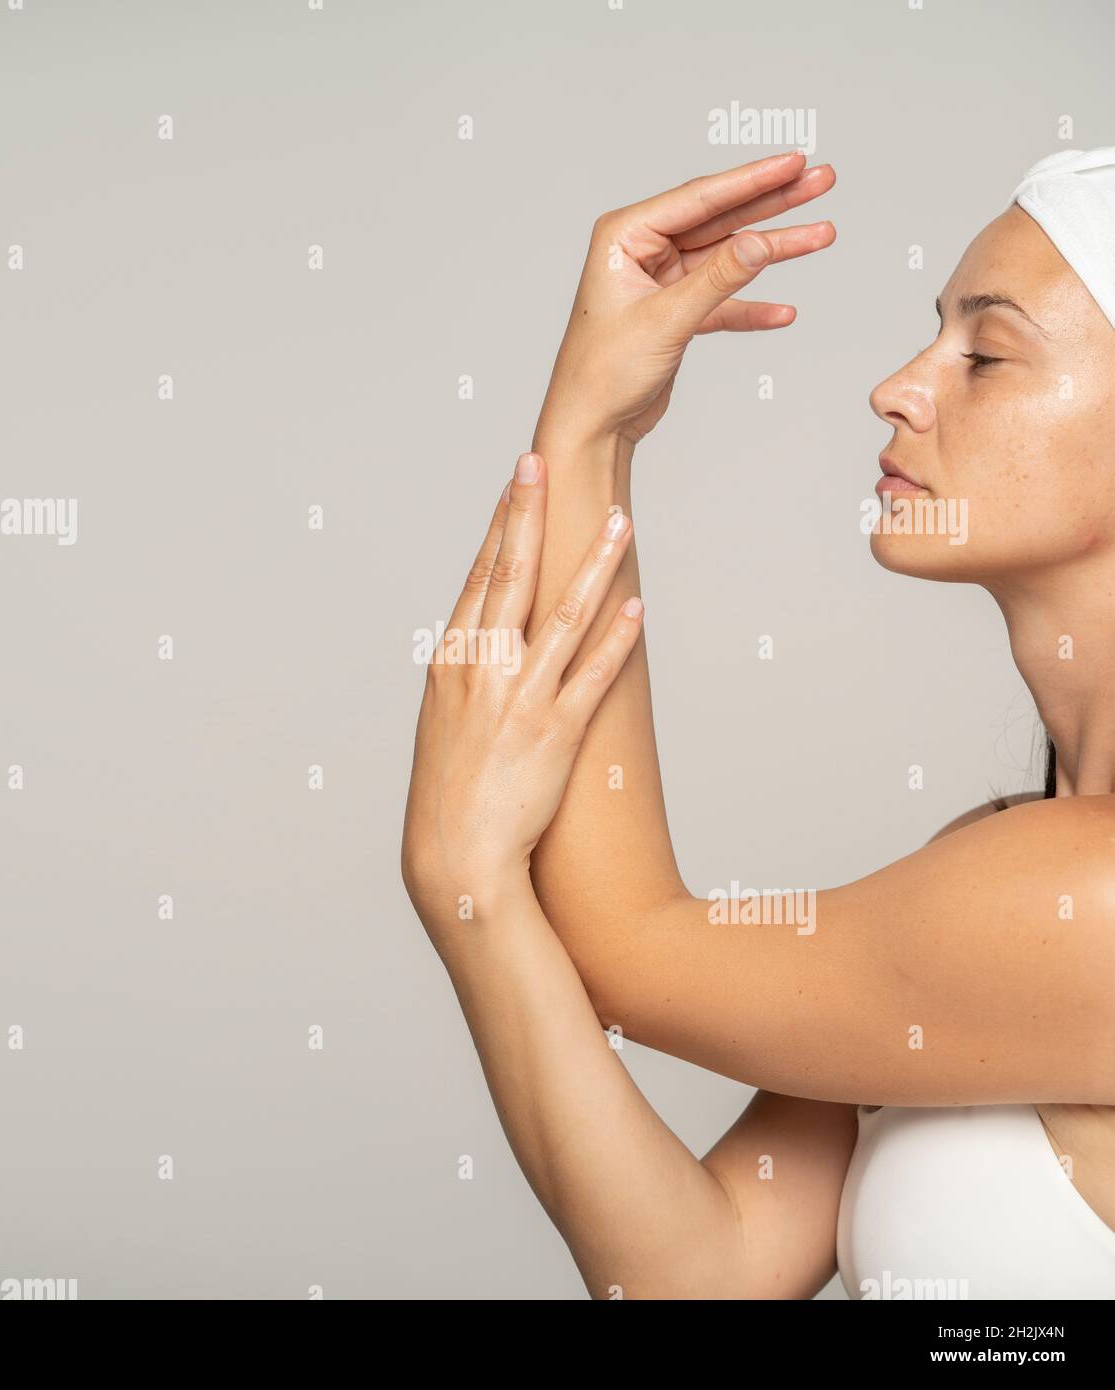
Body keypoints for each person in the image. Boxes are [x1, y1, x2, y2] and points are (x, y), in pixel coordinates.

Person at [400, 149, 1115, 1299]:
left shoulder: (1084, 901)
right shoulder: (999, 857)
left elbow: (626, 945)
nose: (897, 386)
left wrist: (582, 416)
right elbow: (706, 1272)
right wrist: (463, 895)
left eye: (983, 354)